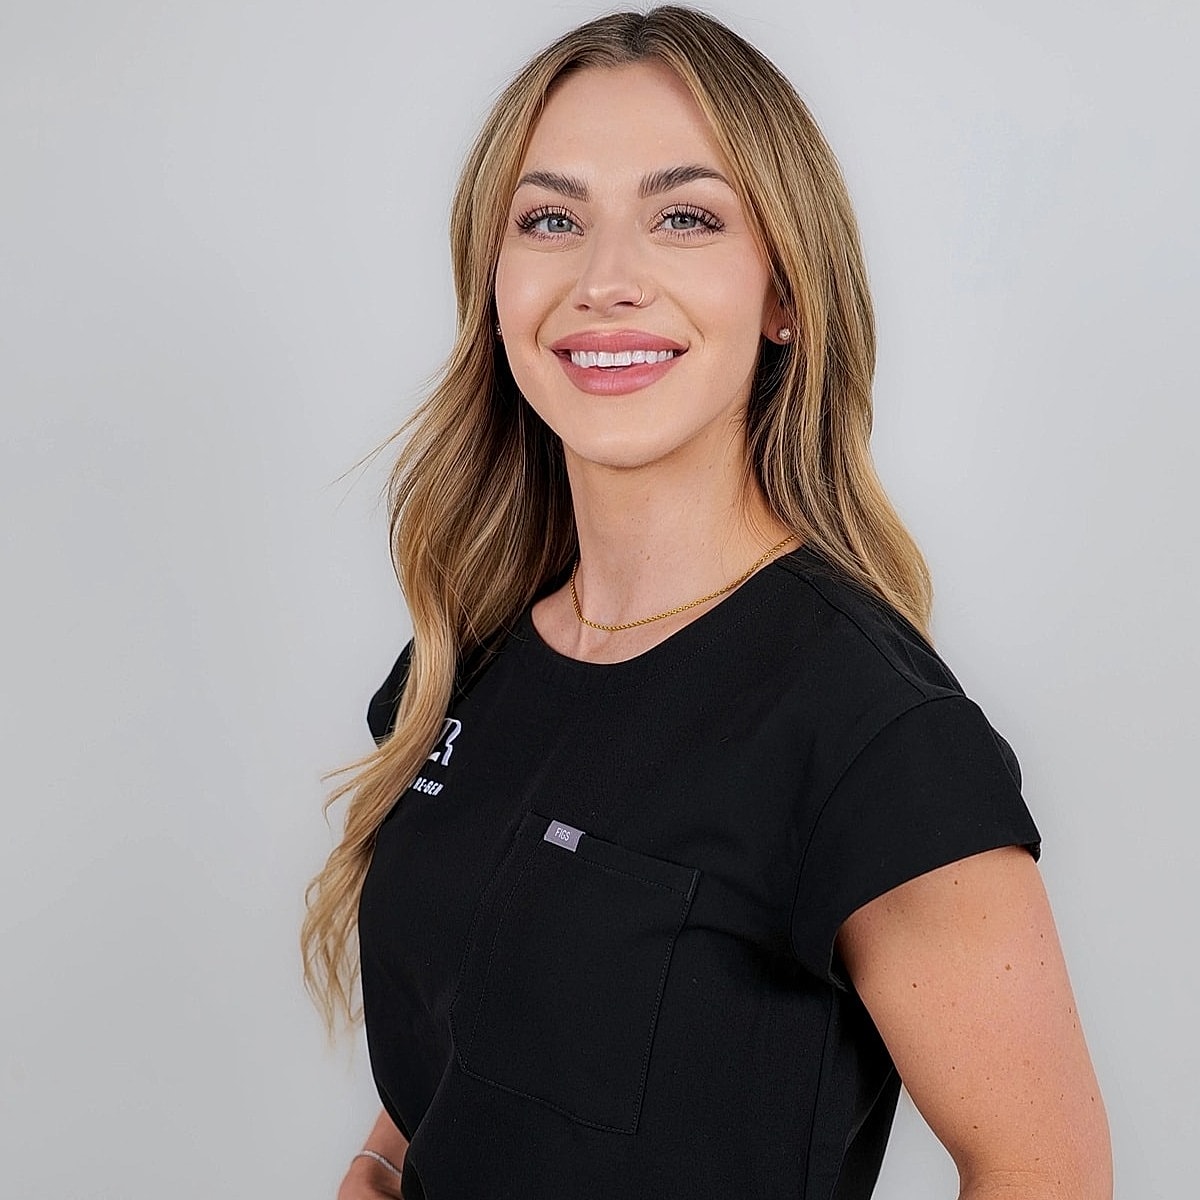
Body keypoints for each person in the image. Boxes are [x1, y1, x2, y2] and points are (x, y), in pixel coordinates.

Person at [302, 7, 1111, 1198]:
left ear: (783, 292)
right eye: (551, 219)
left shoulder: (875, 738)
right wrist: (384, 1157)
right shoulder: (460, 659)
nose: (605, 280)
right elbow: (495, 998)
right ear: (496, 276)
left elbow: (1046, 1173)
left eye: (684, 217)